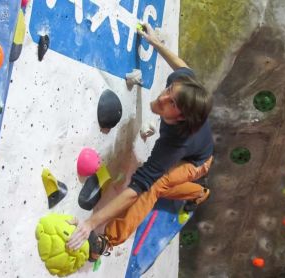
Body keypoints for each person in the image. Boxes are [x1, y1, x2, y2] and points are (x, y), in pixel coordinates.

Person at [67, 23, 214, 261]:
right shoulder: (187, 89)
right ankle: (199, 193)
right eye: (168, 90)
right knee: (160, 181)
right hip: (193, 150)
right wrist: (156, 43)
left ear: (182, 117)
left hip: (196, 162)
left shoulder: (174, 145)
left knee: (155, 186)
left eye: (172, 104)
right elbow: (184, 68)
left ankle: (107, 241)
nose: (162, 97)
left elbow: (137, 190)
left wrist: (91, 223)